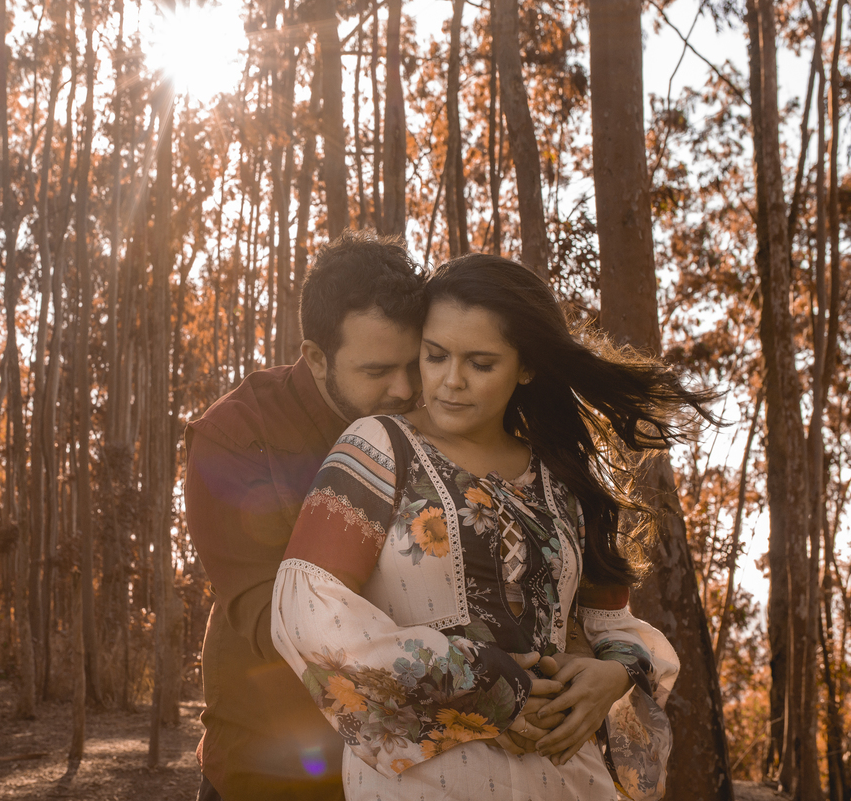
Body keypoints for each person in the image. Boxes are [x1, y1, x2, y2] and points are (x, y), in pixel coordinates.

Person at [272, 253, 717, 800]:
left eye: (481, 364)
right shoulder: (378, 447)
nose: (450, 381)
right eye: (435, 356)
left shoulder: (566, 480)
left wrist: (616, 674)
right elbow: (307, 607)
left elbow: (612, 624)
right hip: (430, 784)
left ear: (524, 367)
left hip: (570, 779)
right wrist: (481, 687)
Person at [184, 231, 426, 801]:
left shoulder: (436, 414)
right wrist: (465, 668)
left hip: (417, 772)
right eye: (377, 371)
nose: (405, 389)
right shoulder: (235, 435)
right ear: (316, 357)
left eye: (415, 364)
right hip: (271, 767)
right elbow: (275, 623)